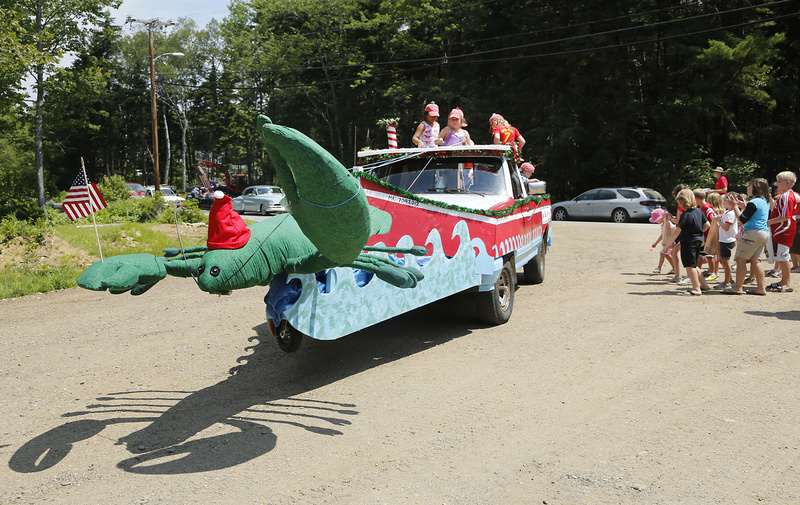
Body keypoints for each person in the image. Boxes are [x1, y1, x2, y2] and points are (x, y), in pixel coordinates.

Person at [723, 178, 772, 295]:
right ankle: (761, 288)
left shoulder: (753, 203)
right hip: (763, 233)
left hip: (752, 233)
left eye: (750, 186)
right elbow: (756, 214)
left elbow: (742, 219)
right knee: (756, 261)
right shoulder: (765, 201)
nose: (747, 188)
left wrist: (734, 206)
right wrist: (745, 207)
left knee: (741, 260)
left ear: (756, 188)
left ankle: (737, 288)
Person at [666, 188, 711, 295]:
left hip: (688, 242)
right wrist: (698, 232)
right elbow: (707, 225)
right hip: (698, 241)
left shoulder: (685, 215)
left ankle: (696, 289)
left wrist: (668, 245)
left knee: (690, 266)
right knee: (694, 265)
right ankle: (704, 285)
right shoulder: (699, 211)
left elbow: (677, 231)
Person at [766, 171, 797, 292]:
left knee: (784, 256)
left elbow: (785, 216)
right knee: (781, 256)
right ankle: (784, 280)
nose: (777, 184)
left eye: (779, 182)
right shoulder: (785, 195)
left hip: (784, 229)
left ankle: (787, 283)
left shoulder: (786, 196)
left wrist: (769, 222)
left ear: (787, 183)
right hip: (782, 229)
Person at [715, 191, 739, 289]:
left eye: (726, 200)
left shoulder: (731, 213)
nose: (724, 201)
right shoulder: (727, 212)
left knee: (726, 261)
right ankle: (730, 280)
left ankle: (727, 282)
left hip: (727, 240)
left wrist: (719, 221)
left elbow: (726, 227)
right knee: (723, 260)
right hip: (725, 239)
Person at [650, 208, 676, 274]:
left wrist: (671, 243)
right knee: (666, 255)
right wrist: (656, 243)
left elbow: (673, 232)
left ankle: (659, 268)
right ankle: (674, 268)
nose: (656, 221)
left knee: (662, 253)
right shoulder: (662, 225)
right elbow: (662, 235)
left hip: (671, 242)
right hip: (667, 242)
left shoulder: (668, 224)